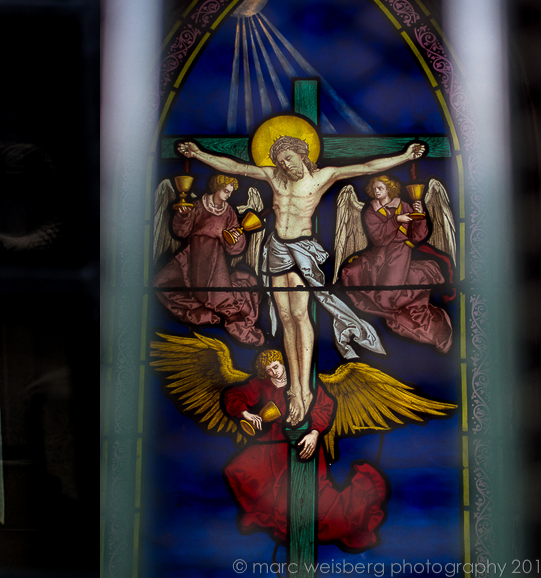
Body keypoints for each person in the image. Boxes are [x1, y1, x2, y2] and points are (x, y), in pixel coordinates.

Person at [179, 134, 425, 424]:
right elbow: (235, 168)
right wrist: (197, 154)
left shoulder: (324, 176)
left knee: (299, 315)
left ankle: (304, 389)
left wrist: (407, 157)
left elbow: (368, 166)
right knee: (285, 318)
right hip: (277, 249)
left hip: (301, 250)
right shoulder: (274, 177)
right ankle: (294, 388)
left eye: (288, 158)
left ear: (301, 153)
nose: (284, 164)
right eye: (280, 161)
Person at [222, 350, 388, 551]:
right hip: (273, 443)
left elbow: (324, 407)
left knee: (302, 495)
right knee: (236, 470)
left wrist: (315, 433)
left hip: (304, 442)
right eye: (269, 370)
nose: (274, 373)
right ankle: (263, 514)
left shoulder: (303, 383)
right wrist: (245, 413)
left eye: (276, 366)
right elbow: (235, 395)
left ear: (284, 363)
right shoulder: (262, 384)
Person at [340, 175, 453, 352]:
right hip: (379, 254)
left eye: (381, 188)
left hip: (401, 252)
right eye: (375, 188)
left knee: (387, 298)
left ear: (389, 189)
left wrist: (420, 215)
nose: (377, 191)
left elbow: (418, 235)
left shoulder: (403, 205)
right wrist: (396, 221)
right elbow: (377, 238)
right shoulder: (371, 210)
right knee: (351, 272)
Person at [153, 174, 263, 346]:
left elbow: (235, 249)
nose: (228, 195)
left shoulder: (229, 212)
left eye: (230, 192)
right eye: (226, 191)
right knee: (161, 282)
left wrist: (235, 238)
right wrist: (182, 216)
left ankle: (228, 319)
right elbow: (181, 233)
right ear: (216, 187)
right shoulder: (197, 206)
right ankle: (205, 313)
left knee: (216, 294)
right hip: (191, 256)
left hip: (215, 257)